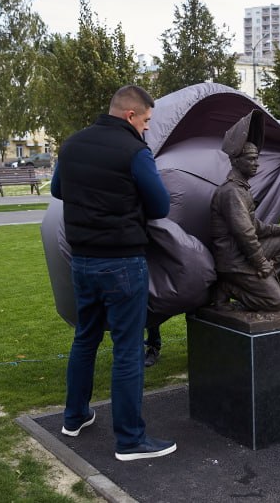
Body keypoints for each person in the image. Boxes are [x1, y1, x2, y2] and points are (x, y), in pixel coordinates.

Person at [51, 85, 178, 461]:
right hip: (123, 262)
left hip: (82, 261)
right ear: (130, 116)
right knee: (127, 350)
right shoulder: (135, 152)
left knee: (85, 338)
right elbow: (160, 206)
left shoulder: (71, 145)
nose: (147, 129)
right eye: (146, 121)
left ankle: (74, 417)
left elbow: (59, 190)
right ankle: (130, 440)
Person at [211, 110, 280, 311]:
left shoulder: (241, 189)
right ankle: (230, 288)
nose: (256, 163)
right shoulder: (232, 192)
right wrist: (261, 264)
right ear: (236, 161)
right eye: (251, 159)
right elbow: (245, 234)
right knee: (277, 302)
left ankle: (262, 283)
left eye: (257, 158)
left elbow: (253, 225)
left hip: (241, 253)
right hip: (233, 260)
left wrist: (278, 229)